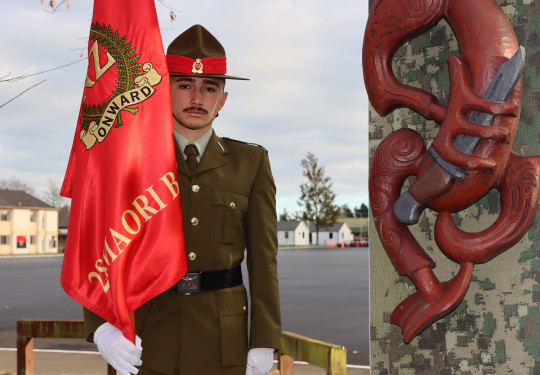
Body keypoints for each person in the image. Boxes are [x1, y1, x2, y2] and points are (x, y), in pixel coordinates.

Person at [83, 24, 281, 375]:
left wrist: (264, 338)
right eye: (185, 85)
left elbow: (264, 261)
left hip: (224, 338)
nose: (197, 98)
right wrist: (101, 325)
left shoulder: (250, 162)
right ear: (165, 91)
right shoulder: (130, 160)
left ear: (223, 99)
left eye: (209, 88)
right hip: (144, 334)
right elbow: (98, 245)